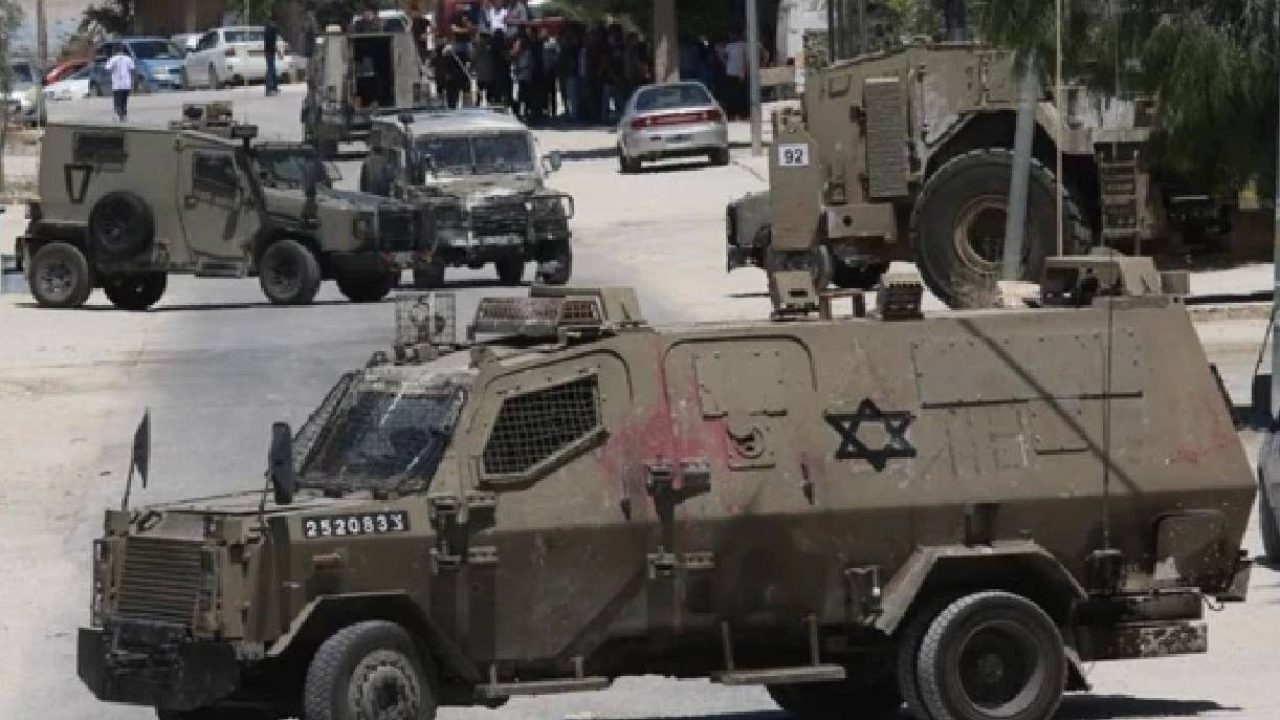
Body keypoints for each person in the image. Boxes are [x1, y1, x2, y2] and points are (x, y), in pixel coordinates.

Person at [104, 43, 135, 122]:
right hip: (126, 83)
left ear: (115, 51)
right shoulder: (128, 59)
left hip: (117, 84)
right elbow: (132, 69)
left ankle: (118, 114)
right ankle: (124, 115)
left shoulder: (113, 59)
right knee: (124, 100)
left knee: (117, 100)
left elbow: (107, 68)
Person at [263, 19, 280, 96]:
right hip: (270, 52)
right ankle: (269, 89)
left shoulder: (267, 29)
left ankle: (274, 87)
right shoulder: (271, 29)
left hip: (269, 51)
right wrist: (278, 50)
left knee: (272, 69)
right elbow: (271, 42)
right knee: (271, 70)